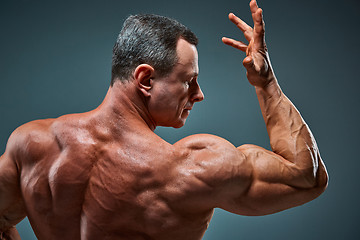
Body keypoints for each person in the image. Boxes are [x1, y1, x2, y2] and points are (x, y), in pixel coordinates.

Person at [0, 0, 328, 239]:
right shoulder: (188, 169)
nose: (198, 94)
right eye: (188, 80)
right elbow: (306, 177)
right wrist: (266, 82)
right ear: (145, 79)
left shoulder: (31, 144)